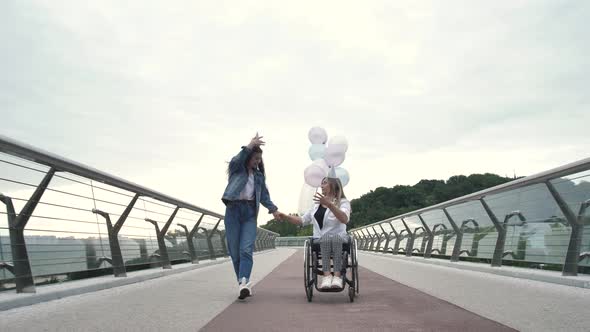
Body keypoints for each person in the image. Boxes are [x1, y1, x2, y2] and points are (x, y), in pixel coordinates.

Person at [222, 133, 282, 300]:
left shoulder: (258, 176)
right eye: (255, 159)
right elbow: (235, 160)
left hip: (249, 213)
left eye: (259, 160)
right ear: (248, 157)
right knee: (235, 252)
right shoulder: (237, 170)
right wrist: (249, 145)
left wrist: (274, 210)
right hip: (233, 211)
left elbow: (263, 196)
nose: (257, 162)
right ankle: (242, 283)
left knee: (246, 249)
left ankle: (244, 281)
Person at [278, 174, 351, 289]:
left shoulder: (343, 202)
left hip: (339, 238)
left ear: (334, 185)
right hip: (320, 238)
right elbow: (302, 220)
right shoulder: (316, 205)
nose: (322, 185)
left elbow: (344, 219)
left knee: (334, 238)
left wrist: (330, 205)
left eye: (325, 182)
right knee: (326, 238)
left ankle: (337, 277)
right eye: (321, 183)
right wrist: (286, 216)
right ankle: (327, 276)